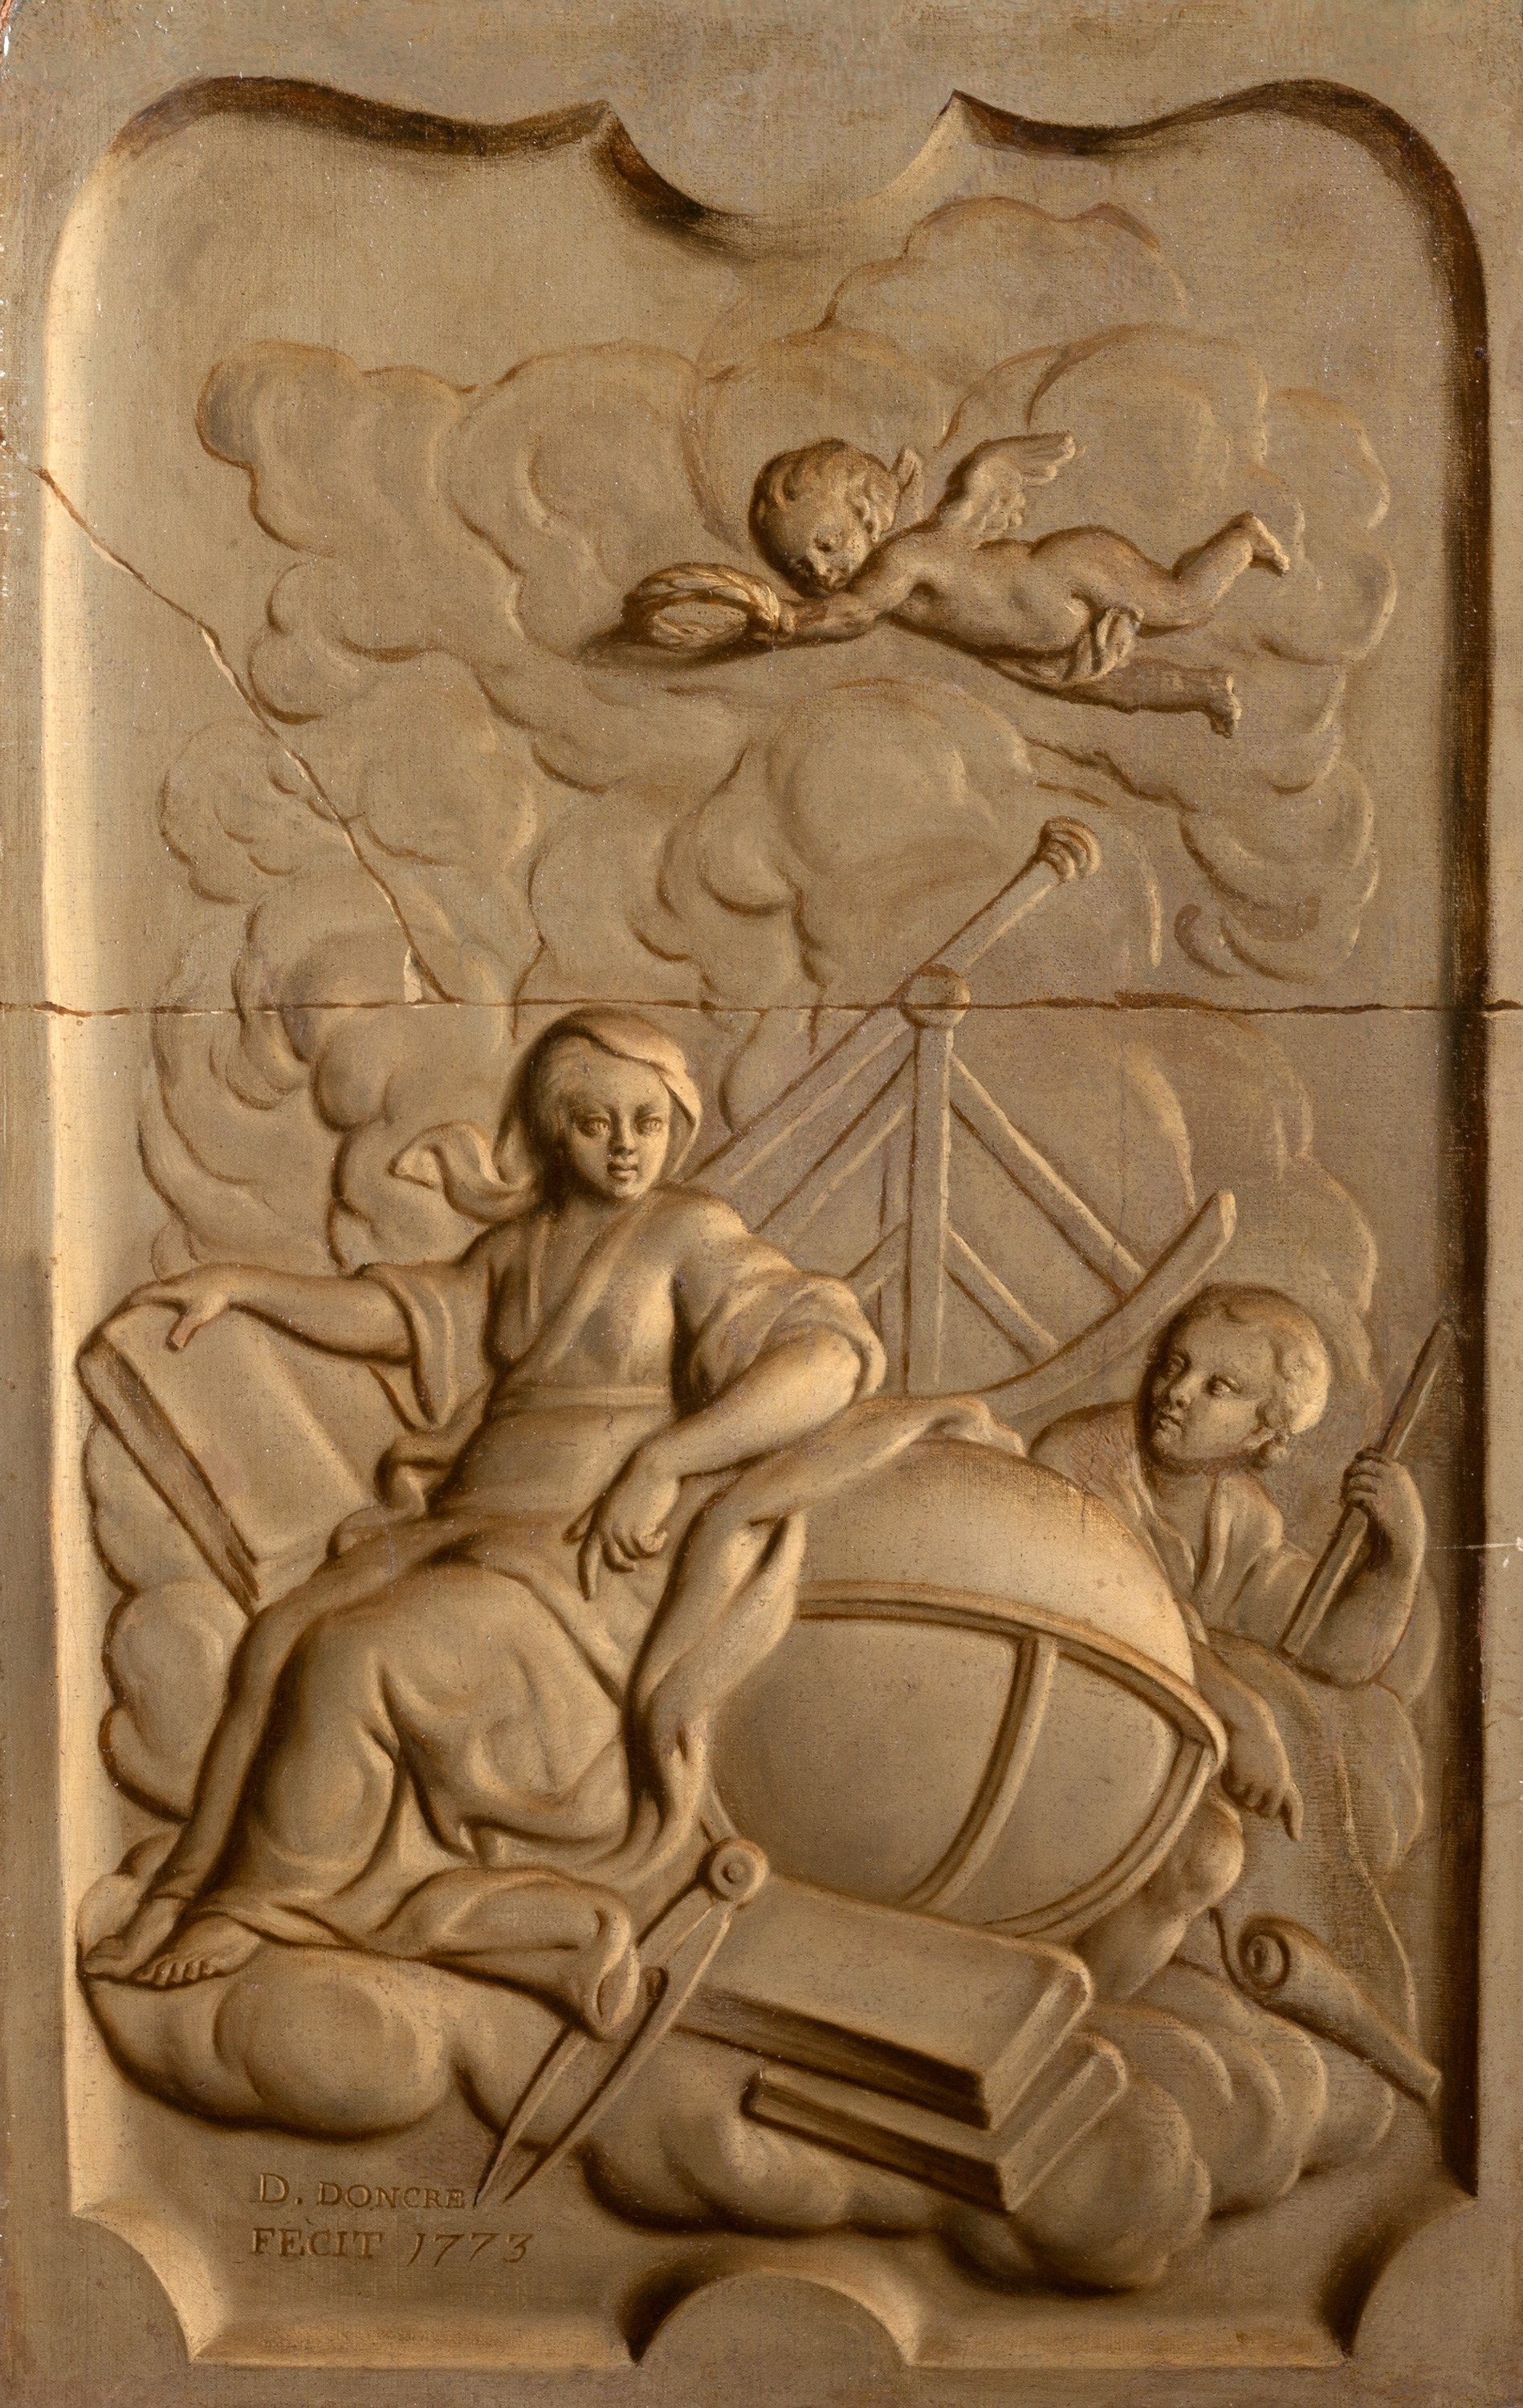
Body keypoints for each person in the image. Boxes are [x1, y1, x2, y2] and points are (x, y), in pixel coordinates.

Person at [83, 1010, 886, 2034]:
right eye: (595, 1123)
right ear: (554, 1131)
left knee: (353, 1655)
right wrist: (245, 1287)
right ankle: (185, 1889)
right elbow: (401, 1315)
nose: (625, 1146)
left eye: (647, 1121)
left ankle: (265, 1906)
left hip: (593, 1556)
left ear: (676, 1127)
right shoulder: (521, 1247)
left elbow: (826, 1358)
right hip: (473, 1528)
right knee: (275, 1637)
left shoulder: (690, 1235)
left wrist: (665, 1460)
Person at [1032, 1285, 1434, 2009]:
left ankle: (1070, 2016)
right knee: (1202, 1851)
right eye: (1175, 1364)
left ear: (1263, 1432)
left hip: (1148, 1746)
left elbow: (1327, 1651)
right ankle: (1045, 2010)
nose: (1177, 1392)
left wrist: (1397, 1555)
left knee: (1210, 1854)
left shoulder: (1241, 1515)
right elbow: (1132, 1613)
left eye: (1218, 1386)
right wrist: (1243, 1715)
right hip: (1045, 1726)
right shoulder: (1079, 1456)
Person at [625, 434, 1289, 734]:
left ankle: (1241, 539)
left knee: (1181, 604)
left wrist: (788, 619)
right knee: (1112, 686)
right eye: (801, 568)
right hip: (1029, 641)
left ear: (867, 511)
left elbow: (853, 615)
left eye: (827, 544)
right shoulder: (900, 553)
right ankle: (1207, 690)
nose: (822, 572)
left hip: (1067, 573)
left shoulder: (901, 561)